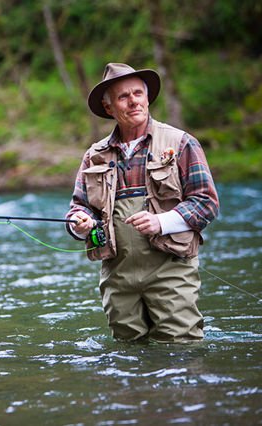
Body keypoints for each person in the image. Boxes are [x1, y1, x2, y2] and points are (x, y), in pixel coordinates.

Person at [66, 63, 219, 343]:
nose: (134, 101)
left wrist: (161, 222)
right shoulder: (94, 155)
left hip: (171, 269)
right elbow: (79, 207)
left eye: (138, 93)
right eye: (123, 96)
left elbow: (206, 203)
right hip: (117, 275)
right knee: (128, 353)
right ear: (109, 107)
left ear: (147, 98)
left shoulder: (181, 143)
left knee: (180, 349)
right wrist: (79, 223)